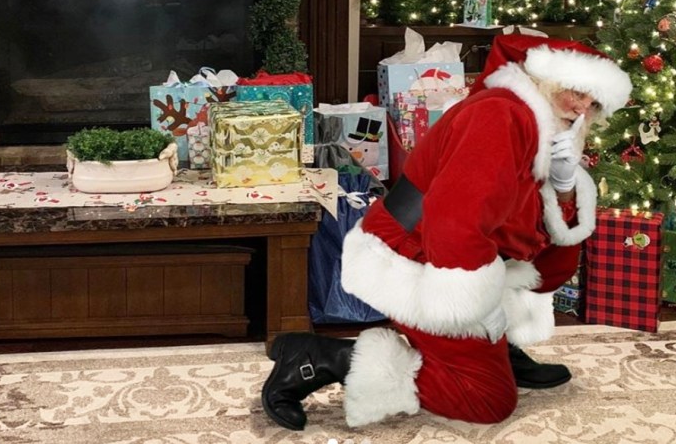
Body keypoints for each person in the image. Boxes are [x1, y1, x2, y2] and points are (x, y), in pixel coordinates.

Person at [261, 34, 633, 430]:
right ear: (547, 78)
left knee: (536, 268)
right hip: (416, 256)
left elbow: (540, 235)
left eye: (593, 105)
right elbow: (454, 219)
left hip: (460, 251)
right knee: (486, 400)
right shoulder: (500, 115)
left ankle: (497, 350)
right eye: (577, 92)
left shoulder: (540, 126)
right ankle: (321, 357)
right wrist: (478, 305)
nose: (581, 109)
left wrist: (563, 184)